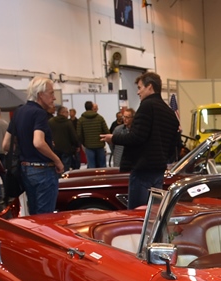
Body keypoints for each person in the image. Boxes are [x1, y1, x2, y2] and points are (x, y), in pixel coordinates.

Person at [100, 71, 179, 209]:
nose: (138, 92)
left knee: (137, 213)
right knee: (154, 213)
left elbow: (136, 136)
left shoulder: (147, 106)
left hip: (143, 169)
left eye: (140, 87)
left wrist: (114, 138)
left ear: (150, 87)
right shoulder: (169, 112)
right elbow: (173, 144)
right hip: (159, 170)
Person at [2, 76, 64, 214]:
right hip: (43, 170)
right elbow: (38, 142)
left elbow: (6, 144)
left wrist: (24, 146)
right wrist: (57, 160)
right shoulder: (39, 113)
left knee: (34, 215)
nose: (54, 98)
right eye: (51, 93)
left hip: (25, 170)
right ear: (40, 95)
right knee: (45, 216)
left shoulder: (19, 112)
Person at [77, 101, 109, 168]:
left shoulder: (81, 120)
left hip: (88, 146)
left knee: (91, 166)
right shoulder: (100, 118)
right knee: (102, 166)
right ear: (92, 107)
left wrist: (84, 143)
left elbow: (79, 134)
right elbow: (106, 131)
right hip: (100, 145)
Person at [48, 106, 80, 172]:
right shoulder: (68, 122)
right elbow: (73, 136)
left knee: (56, 168)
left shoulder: (51, 121)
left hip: (54, 148)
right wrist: (77, 145)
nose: (68, 114)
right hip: (66, 149)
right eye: (67, 112)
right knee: (65, 168)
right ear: (62, 113)